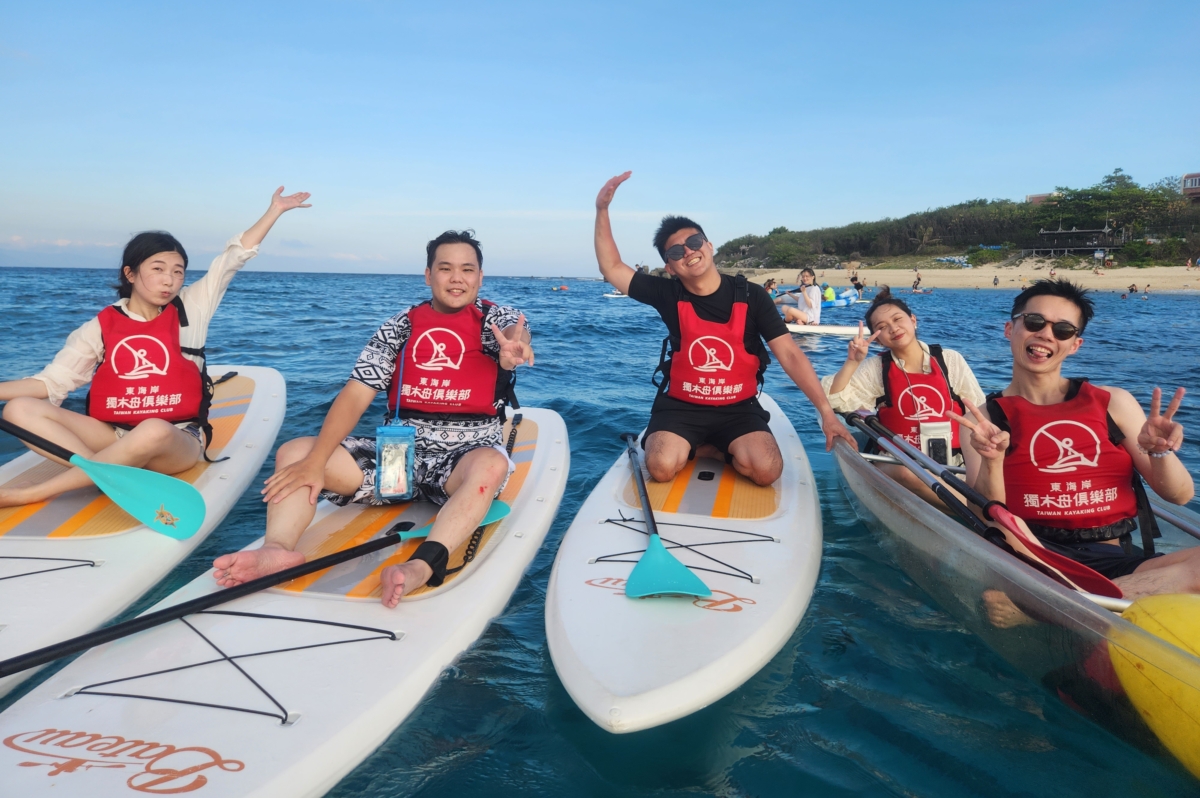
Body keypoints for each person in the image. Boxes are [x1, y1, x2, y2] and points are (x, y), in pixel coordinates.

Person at [212, 231, 532, 606]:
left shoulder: (497, 319)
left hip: (463, 459)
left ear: (480, 277)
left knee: (492, 464)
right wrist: (316, 463)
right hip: (398, 460)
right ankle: (278, 549)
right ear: (428, 275)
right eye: (445, 269)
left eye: (467, 269)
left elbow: (515, 334)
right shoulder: (399, 327)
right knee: (296, 453)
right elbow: (355, 395)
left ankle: (423, 565)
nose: (457, 278)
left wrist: (514, 347)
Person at [0, 188, 311, 507]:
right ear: (130, 273)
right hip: (113, 435)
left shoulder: (193, 307)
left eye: (178, 272)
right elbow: (50, 384)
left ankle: (33, 493)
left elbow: (233, 258)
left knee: (152, 430)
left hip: (175, 441)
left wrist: (274, 210)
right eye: (158, 269)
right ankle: (113, 470)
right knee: (17, 409)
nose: (169, 280)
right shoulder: (100, 326)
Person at [593, 172, 852, 486]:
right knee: (660, 467)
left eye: (693, 242)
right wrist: (602, 211)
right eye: (675, 252)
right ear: (671, 268)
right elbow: (612, 268)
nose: (687, 251)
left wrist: (826, 412)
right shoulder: (668, 294)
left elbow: (790, 355)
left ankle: (711, 449)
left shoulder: (753, 296)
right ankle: (701, 446)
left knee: (767, 470)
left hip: (738, 407)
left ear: (709, 245)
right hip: (681, 406)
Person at [958, 279, 1197, 599]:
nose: (1045, 334)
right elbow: (984, 513)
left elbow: (1180, 496)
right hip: (1034, 559)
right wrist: (992, 460)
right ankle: (1079, 601)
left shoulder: (1115, 403)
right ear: (1009, 329)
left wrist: (1160, 453)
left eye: (1063, 330)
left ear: (1074, 345)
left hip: (1114, 559)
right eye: (1034, 322)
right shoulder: (985, 419)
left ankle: (1049, 607)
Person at [823, 294, 986, 508]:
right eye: (882, 326)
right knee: (905, 472)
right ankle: (979, 510)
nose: (893, 328)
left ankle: (972, 506)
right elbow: (834, 398)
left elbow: (977, 411)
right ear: (878, 339)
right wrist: (853, 362)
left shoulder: (950, 360)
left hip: (953, 465)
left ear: (913, 320)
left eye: (898, 319)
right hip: (896, 464)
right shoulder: (876, 368)